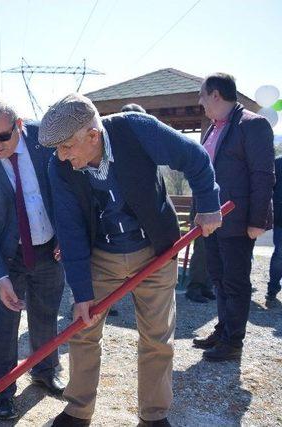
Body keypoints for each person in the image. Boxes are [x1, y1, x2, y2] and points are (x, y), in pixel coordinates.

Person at [40, 93, 221, 427]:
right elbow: (70, 229)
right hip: (101, 256)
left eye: (66, 147)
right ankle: (78, 410)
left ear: (92, 136)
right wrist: (81, 293)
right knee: (83, 330)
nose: (60, 156)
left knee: (156, 337)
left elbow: (193, 156)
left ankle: (153, 416)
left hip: (155, 250)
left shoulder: (135, 130)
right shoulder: (59, 167)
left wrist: (209, 204)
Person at [0, 99, 65, 420]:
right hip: (8, 255)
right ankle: (3, 390)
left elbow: (68, 190)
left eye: (2, 137)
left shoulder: (44, 140)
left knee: (46, 314)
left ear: (18, 124)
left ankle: (46, 370)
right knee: (5, 325)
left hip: (49, 248)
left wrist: (67, 236)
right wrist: (1, 277)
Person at [193, 73, 275, 361]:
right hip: (213, 220)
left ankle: (233, 342)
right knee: (218, 278)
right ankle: (224, 330)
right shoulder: (213, 128)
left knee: (236, 281)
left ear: (216, 94)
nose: (200, 102)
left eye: (203, 95)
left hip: (238, 222)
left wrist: (257, 221)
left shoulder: (253, 124)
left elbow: (263, 175)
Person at [267, 155, 282, 304]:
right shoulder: (277, 163)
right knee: (280, 253)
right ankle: (272, 288)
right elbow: (269, 188)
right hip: (281, 218)